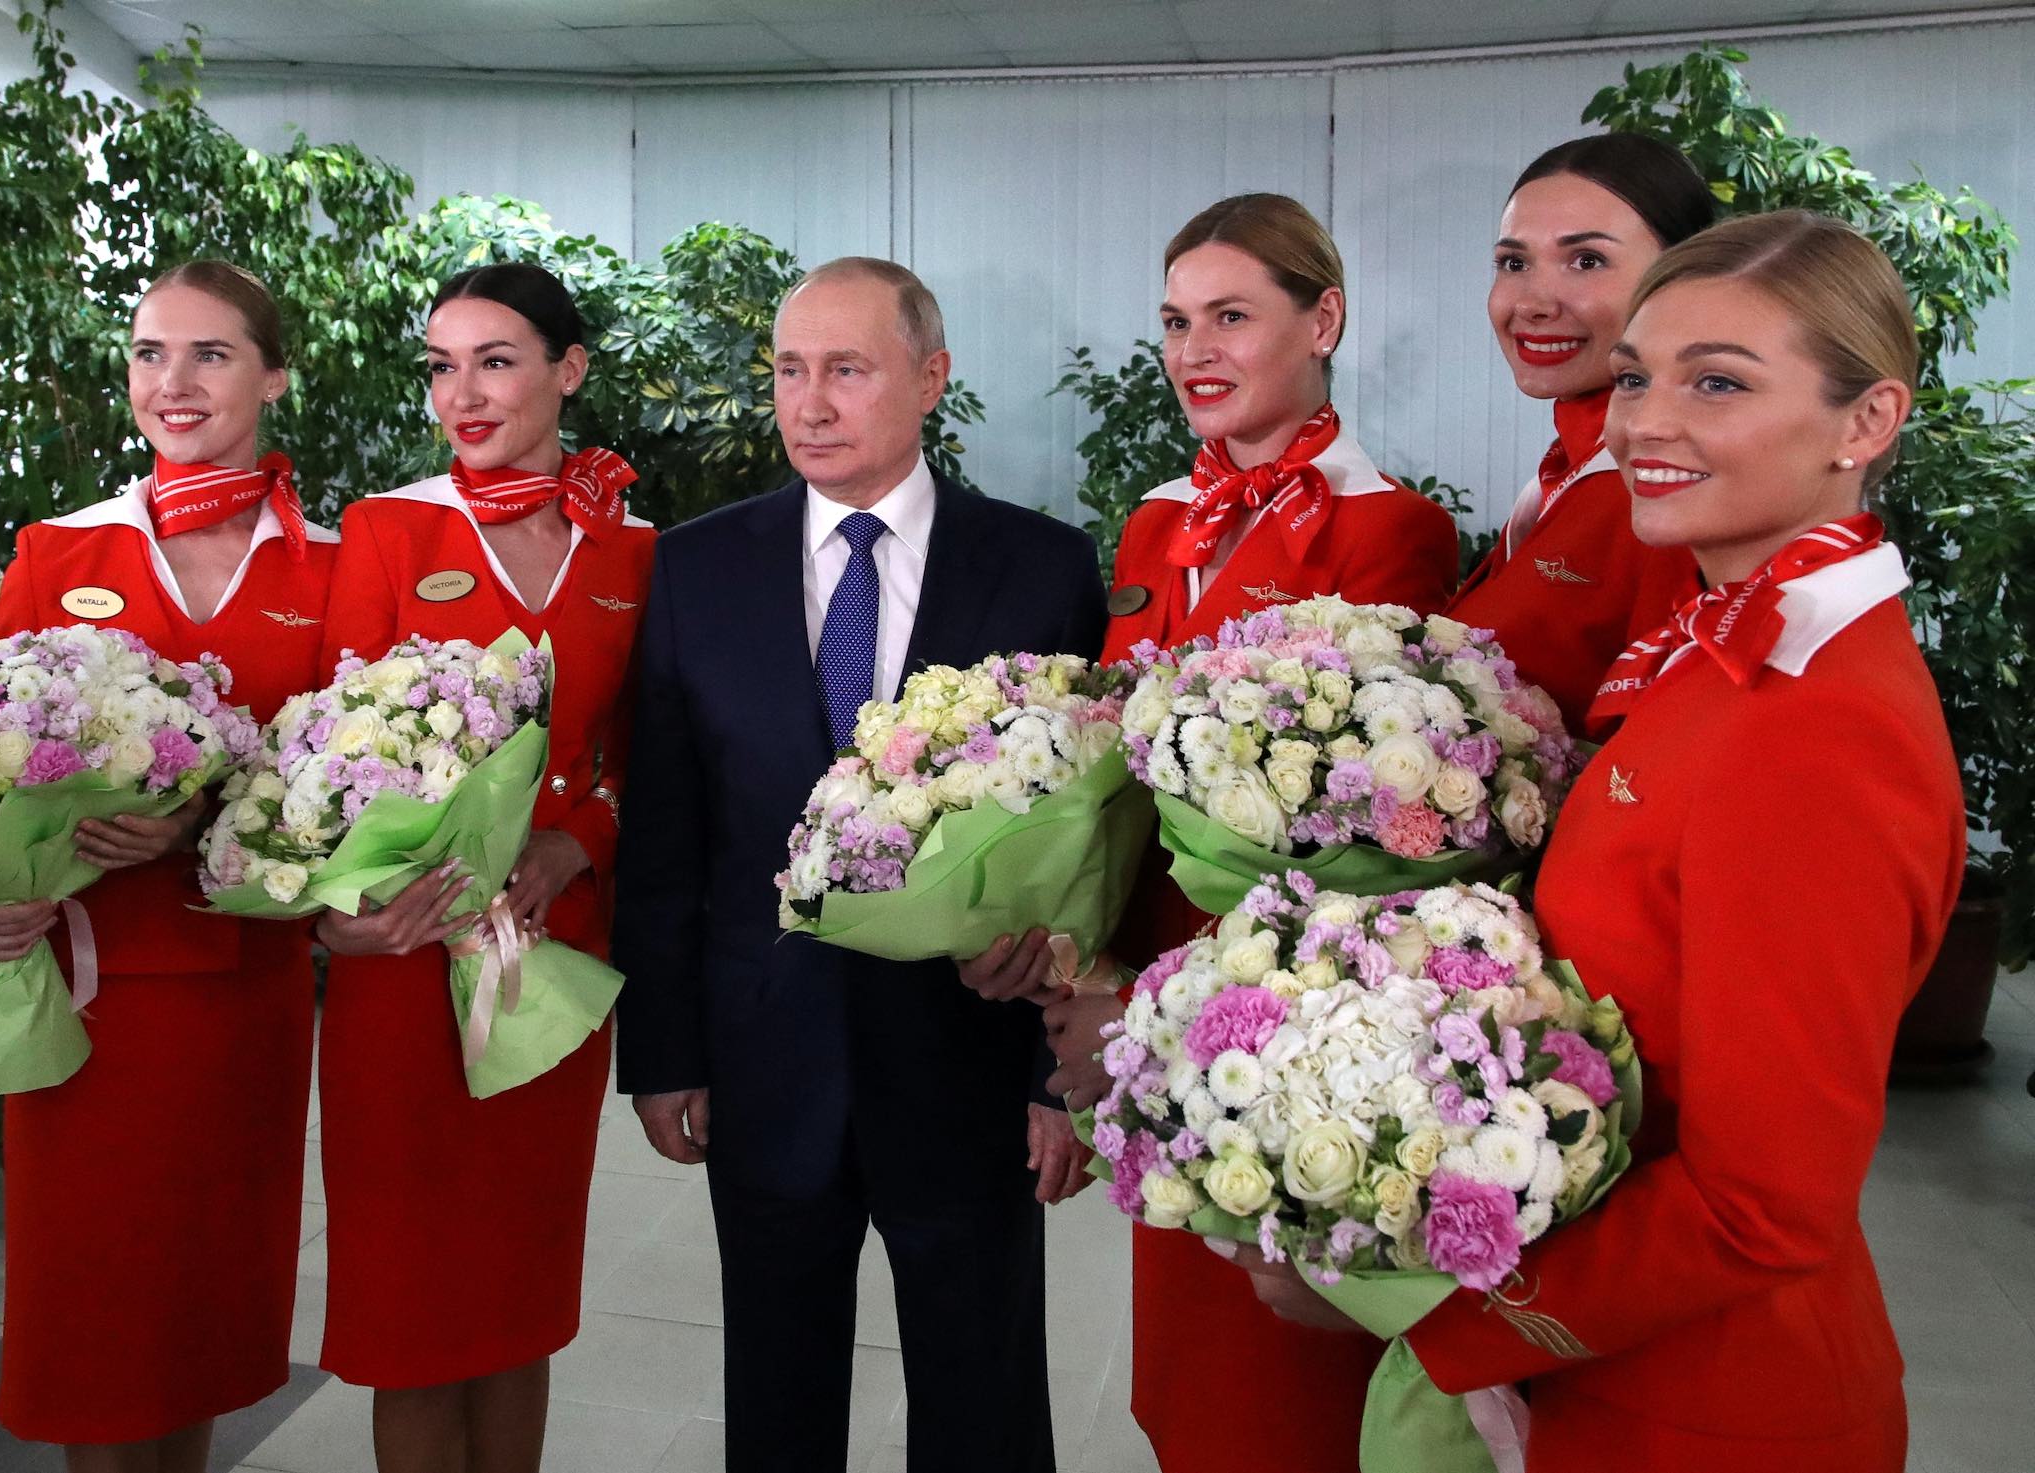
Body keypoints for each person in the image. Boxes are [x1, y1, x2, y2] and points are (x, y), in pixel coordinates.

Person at [1232, 210, 1964, 1473]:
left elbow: (1764, 1205)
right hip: (1611, 1384)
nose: (1643, 423)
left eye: (1716, 382)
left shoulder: (1817, 726)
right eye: (1635, 376)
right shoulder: (1724, 648)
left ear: (1866, 423)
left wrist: (1441, 1313)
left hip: (1707, 1410)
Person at [612, 257, 1106, 1473]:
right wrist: (665, 1055)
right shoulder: (695, 568)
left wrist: (1061, 1077)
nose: (809, 404)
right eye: (789, 370)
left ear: (931, 379)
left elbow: (1092, 842)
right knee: (774, 1395)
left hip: (968, 1059)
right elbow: (670, 835)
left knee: (982, 1393)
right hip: (765, 1052)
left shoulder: (1039, 567)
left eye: (846, 369)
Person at [1031, 192, 1458, 1473]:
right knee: (1185, 1376)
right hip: (1143, 999)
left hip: (1283, 1021)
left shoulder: (1390, 530)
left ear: (1322, 318)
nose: (1194, 349)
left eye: (1232, 315)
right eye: (1174, 321)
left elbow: (1371, 840)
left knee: (1279, 1394)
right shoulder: (1162, 520)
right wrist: (1071, 951)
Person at [0, 261, 336, 1471]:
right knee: (97, 1325)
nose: (175, 382)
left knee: (203, 1315)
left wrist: (203, 820)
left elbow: (341, 785)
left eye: (212, 354)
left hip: (246, 1003)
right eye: (150, 353)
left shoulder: (328, 563)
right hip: (88, 1003)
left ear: (272, 374)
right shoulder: (61, 551)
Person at [314, 261, 650, 1473]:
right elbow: (329, 751)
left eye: (496, 360)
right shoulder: (389, 528)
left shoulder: (633, 549)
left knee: (516, 1301)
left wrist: (576, 841)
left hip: (552, 961)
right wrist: (340, 909)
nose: (463, 391)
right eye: (441, 365)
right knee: (409, 1315)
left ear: (568, 370)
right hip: (405, 959)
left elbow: (638, 759)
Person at [1444, 134, 1712, 736]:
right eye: (1514, 263)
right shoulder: (1571, 464)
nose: (1533, 302)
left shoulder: (1673, 491)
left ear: (1682, 276)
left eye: (1586, 260)